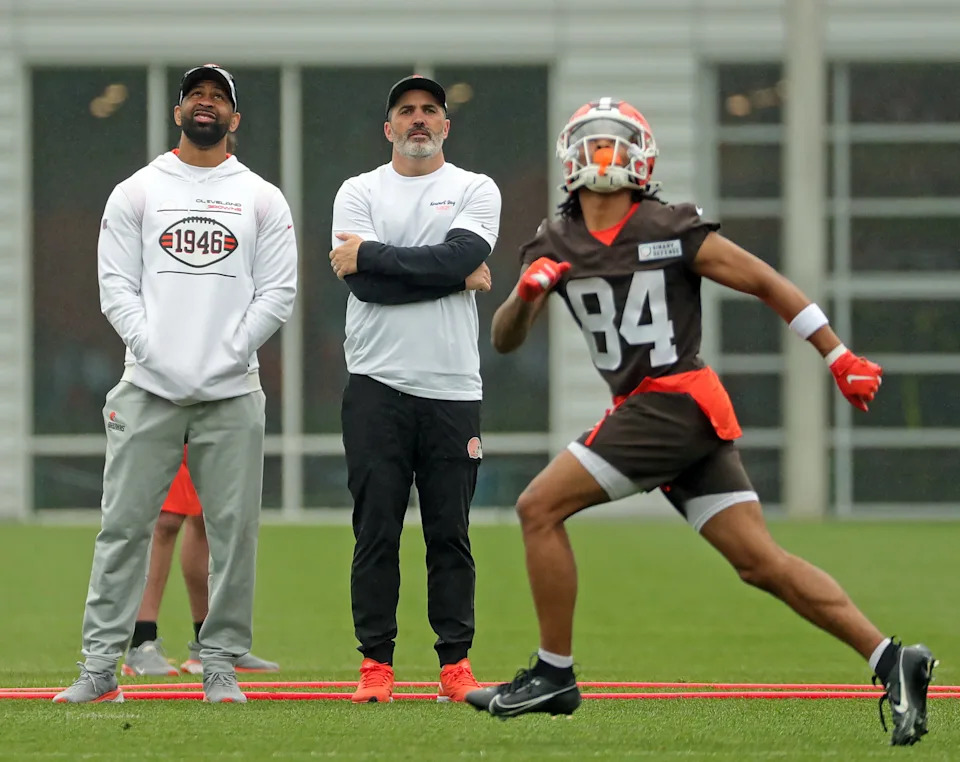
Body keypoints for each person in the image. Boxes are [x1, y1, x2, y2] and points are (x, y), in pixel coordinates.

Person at [465, 98, 936, 746]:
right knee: (760, 563)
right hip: (669, 413)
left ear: (642, 156)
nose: (604, 153)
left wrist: (836, 352)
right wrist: (525, 294)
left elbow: (765, 281)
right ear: (572, 156)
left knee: (537, 508)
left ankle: (554, 674)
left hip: (672, 403)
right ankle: (893, 660)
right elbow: (505, 340)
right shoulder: (553, 242)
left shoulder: (670, 226)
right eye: (594, 142)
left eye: (617, 141)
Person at [54, 64, 298, 704]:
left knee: (234, 533)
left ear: (235, 119)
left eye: (219, 98)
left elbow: (278, 293)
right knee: (123, 528)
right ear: (178, 111)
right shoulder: (136, 191)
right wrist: (157, 350)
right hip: (147, 387)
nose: (207, 105)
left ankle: (218, 663)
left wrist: (228, 351)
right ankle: (101, 668)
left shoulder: (262, 198)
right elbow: (116, 288)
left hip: (233, 389)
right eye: (197, 96)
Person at [328, 75, 501, 703]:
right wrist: (455, 278)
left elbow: (453, 256)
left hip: (453, 390)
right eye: (407, 111)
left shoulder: (475, 189)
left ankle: (455, 667)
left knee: (449, 532)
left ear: (446, 125)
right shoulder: (359, 190)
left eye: (430, 110)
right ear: (389, 127)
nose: (419, 119)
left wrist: (379, 255)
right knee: (375, 530)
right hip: (375, 386)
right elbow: (366, 285)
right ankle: (376, 666)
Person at [121, 446, 280, 676]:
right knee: (166, 519)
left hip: (212, 414)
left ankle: (209, 643)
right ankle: (142, 643)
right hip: (166, 414)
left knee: (206, 517)